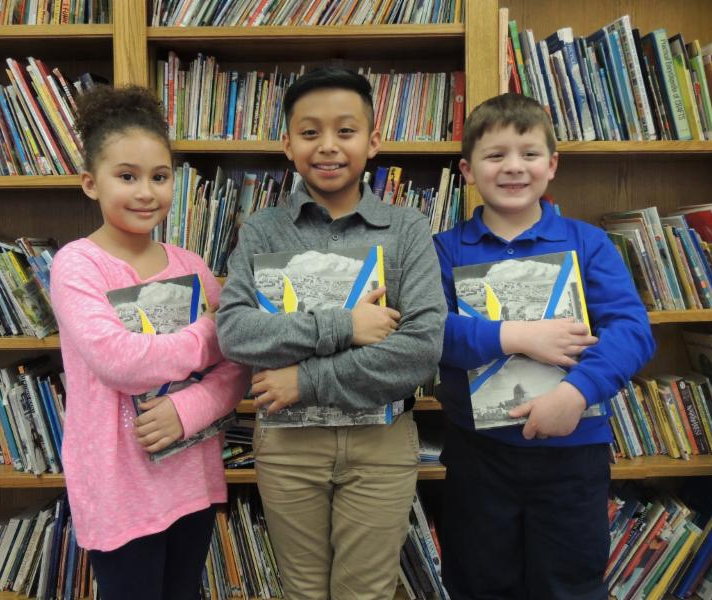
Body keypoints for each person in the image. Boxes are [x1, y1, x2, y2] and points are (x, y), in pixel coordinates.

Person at [216, 67, 446, 599]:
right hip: (288, 446)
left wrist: (305, 380)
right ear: (288, 145)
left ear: (373, 141)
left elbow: (419, 350)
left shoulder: (407, 228)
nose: (328, 146)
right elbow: (236, 332)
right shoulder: (263, 230)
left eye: (345, 130)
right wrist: (345, 324)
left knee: (366, 591)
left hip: (381, 444)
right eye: (309, 132)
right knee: (302, 590)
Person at [433, 92, 656, 599]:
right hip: (478, 455)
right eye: (495, 155)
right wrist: (514, 336)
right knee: (478, 583)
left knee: (568, 586)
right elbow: (430, 333)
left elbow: (631, 330)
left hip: (573, 452)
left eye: (529, 154)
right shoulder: (445, 250)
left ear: (552, 165)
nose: (514, 167)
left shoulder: (587, 243)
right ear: (467, 171)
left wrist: (576, 393)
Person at [49, 85, 249, 600]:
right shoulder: (78, 265)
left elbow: (238, 365)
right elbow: (119, 360)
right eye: (127, 176)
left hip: (191, 476)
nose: (145, 192)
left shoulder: (192, 265)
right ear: (90, 183)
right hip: (118, 488)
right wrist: (212, 331)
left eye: (159, 177)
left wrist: (189, 408)